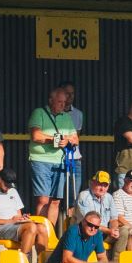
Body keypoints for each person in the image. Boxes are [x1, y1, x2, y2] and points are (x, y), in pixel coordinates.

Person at [28, 85, 84, 226]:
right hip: (41, 160)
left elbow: (75, 138)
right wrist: (54, 139)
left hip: (60, 161)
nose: (63, 105)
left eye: (64, 103)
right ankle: (41, 232)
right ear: (51, 100)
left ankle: (50, 233)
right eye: (60, 102)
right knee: (43, 199)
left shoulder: (66, 117)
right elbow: (35, 135)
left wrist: (67, 140)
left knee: (56, 200)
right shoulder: (39, 113)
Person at [0, 168, 43, 259]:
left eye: (10, 186)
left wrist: (22, 218)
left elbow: (18, 215)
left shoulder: (12, 191)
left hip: (14, 225)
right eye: (6, 185)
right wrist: (9, 221)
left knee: (42, 228)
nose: (8, 189)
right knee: (31, 227)